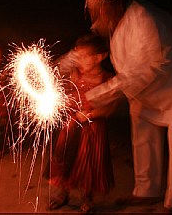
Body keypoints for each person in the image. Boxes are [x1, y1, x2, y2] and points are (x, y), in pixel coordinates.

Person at [81, 0, 172, 212]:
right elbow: (83, 53)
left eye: (94, 6)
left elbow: (142, 72)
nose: (92, 12)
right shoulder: (110, 26)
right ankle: (147, 191)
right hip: (146, 95)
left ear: (107, 2)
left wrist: (95, 96)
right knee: (141, 131)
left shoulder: (143, 18)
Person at [45, 33, 117, 214]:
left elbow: (109, 109)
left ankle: (87, 198)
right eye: (78, 56)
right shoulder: (74, 75)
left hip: (92, 130)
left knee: (87, 164)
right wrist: (65, 101)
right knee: (66, 159)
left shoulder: (108, 80)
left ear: (100, 57)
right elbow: (66, 94)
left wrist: (91, 114)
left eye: (84, 56)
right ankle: (62, 193)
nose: (79, 60)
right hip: (71, 126)